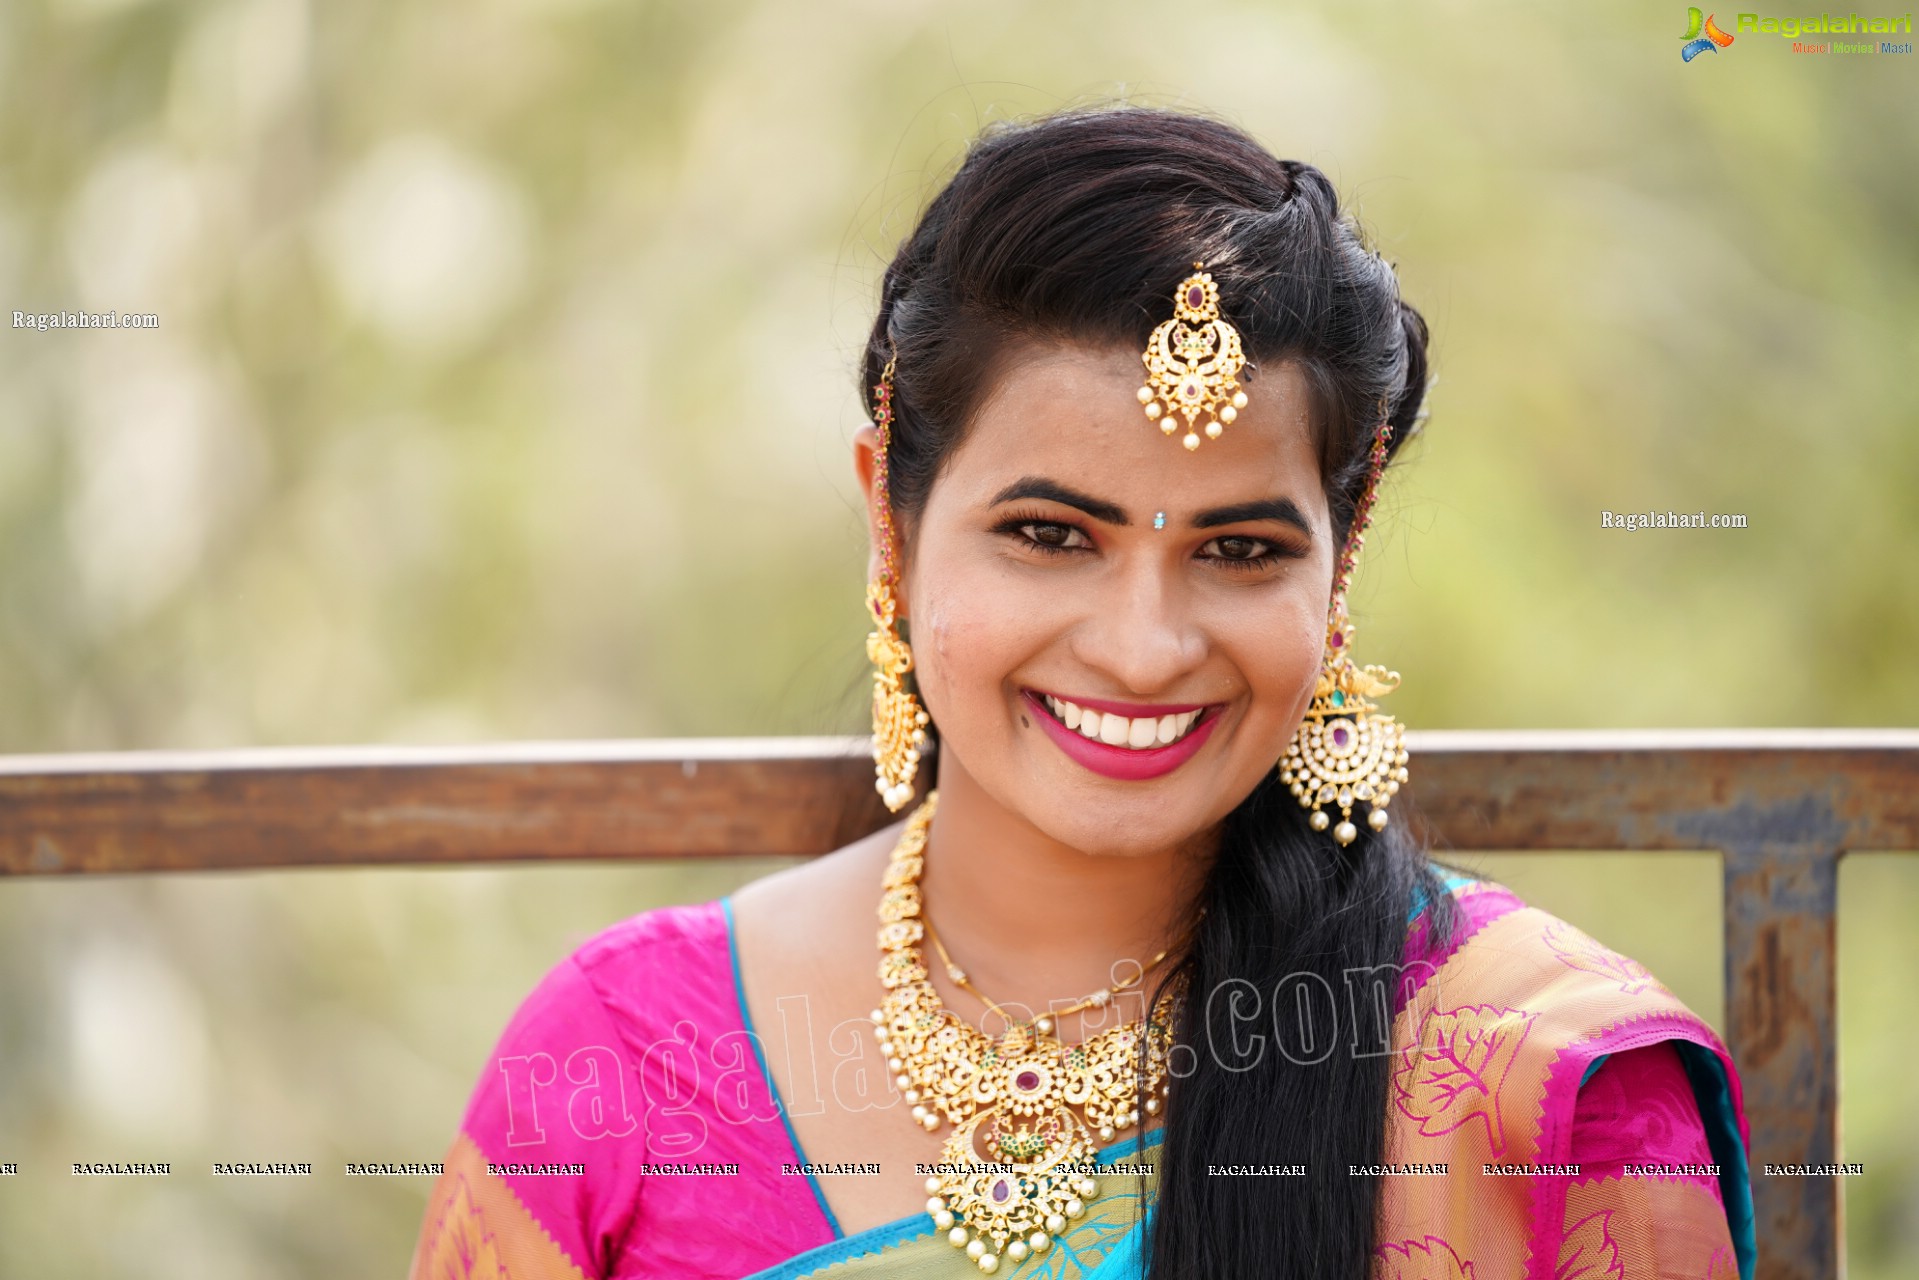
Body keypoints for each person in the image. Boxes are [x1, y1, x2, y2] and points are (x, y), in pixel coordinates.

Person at [407, 107, 1754, 1280]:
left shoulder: (1552, 1094)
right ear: (891, 514)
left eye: (1240, 551)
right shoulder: (621, 1063)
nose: (1143, 648)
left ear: (1340, 560)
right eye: (1052, 535)